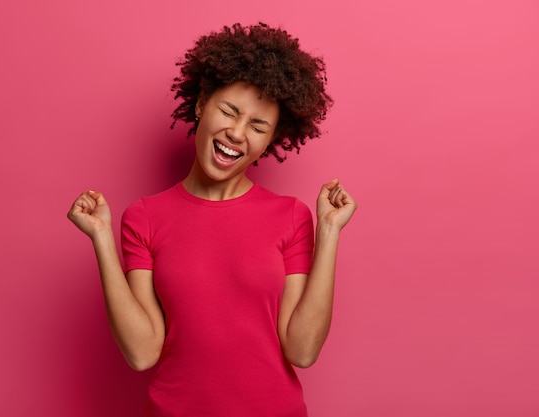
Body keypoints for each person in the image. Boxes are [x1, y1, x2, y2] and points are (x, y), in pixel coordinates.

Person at [68, 22, 357, 417]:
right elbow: (141, 353)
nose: (237, 133)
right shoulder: (144, 217)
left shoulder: (291, 216)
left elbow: (302, 350)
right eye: (229, 111)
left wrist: (329, 232)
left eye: (258, 127)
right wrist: (100, 237)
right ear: (202, 102)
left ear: (270, 141)